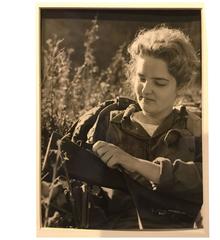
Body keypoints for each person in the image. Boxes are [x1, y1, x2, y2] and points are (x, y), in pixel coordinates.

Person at [69, 26, 202, 229]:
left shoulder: (195, 128)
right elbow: (78, 188)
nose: (146, 90)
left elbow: (210, 183)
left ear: (181, 86)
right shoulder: (107, 122)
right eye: (141, 78)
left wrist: (134, 163)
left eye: (159, 83)